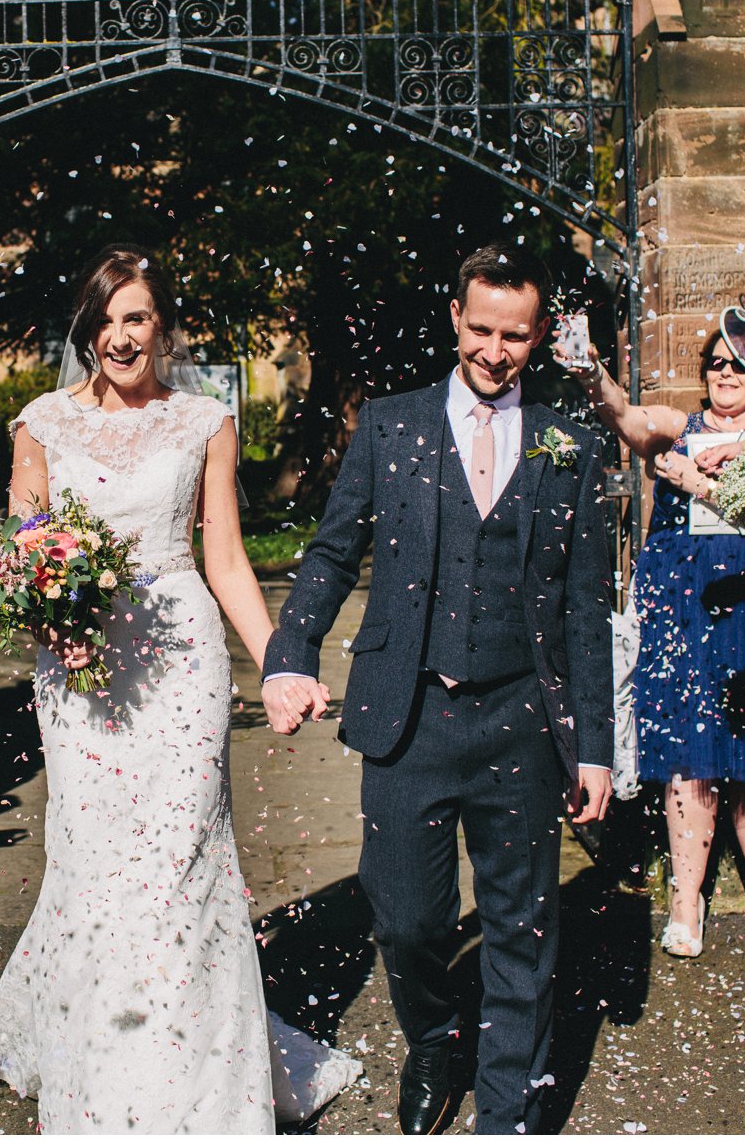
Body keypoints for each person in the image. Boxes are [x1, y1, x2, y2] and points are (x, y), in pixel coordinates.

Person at [0, 246, 361, 1131]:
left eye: (136, 317)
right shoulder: (41, 424)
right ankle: (101, 1077)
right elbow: (26, 554)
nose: (119, 335)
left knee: (180, 867)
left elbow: (227, 560)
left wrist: (279, 664)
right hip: (84, 670)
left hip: (181, 663)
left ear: (161, 324)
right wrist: (47, 616)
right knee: (96, 867)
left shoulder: (204, 421)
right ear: (85, 327)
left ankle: (195, 1087)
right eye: (104, 317)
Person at [260, 243, 610, 1134]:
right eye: (482, 330)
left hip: (522, 719)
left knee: (522, 930)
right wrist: (288, 652)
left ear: (539, 335)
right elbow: (336, 550)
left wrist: (597, 748)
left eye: (516, 336)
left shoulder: (574, 444)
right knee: (408, 920)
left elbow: (583, 607)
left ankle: (507, 1117)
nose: (496, 351)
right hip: (407, 711)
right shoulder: (391, 423)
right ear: (456, 318)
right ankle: (437, 1033)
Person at [562, 297, 745, 960]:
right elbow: (622, 413)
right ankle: (686, 900)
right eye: (715, 363)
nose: (724, 374)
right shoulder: (681, 425)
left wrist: (698, 484)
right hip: (685, 606)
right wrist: (592, 370)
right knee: (688, 760)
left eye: (739, 365)